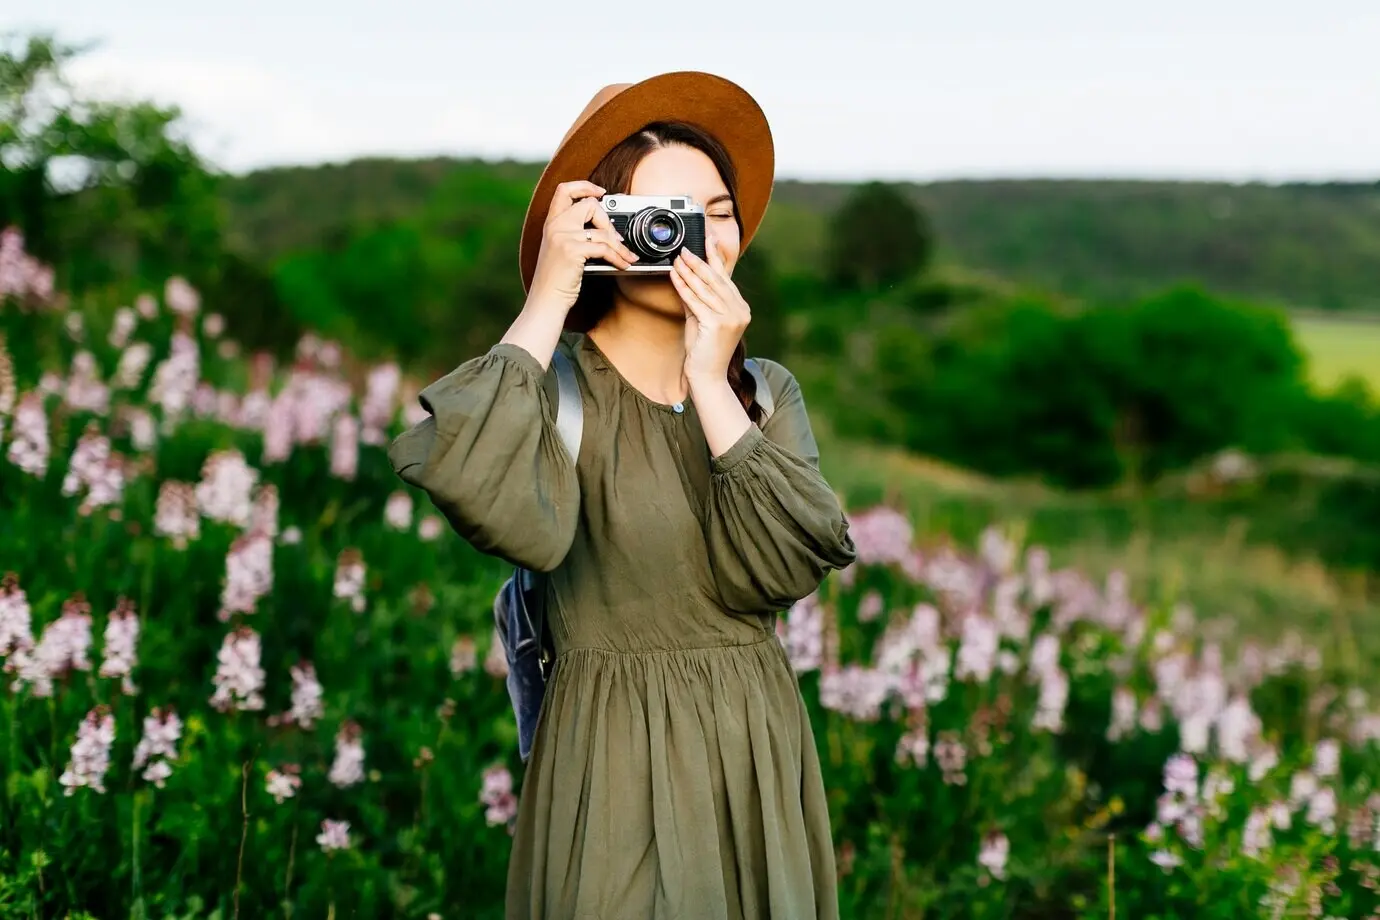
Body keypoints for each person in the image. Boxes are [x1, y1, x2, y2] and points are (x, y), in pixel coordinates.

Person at [389, 71, 857, 920]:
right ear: (602, 227)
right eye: (660, 217)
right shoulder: (556, 390)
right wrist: (547, 295)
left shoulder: (765, 390)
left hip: (755, 751)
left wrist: (713, 383)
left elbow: (784, 567)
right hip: (610, 758)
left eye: (714, 214)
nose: (692, 241)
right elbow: (472, 484)